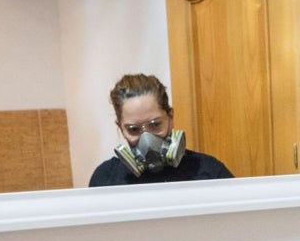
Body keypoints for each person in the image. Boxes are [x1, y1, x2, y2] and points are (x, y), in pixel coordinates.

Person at [89, 73, 233, 186]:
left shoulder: (209, 171)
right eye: (133, 129)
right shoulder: (105, 178)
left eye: (155, 124)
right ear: (120, 128)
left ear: (171, 116)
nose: (147, 139)